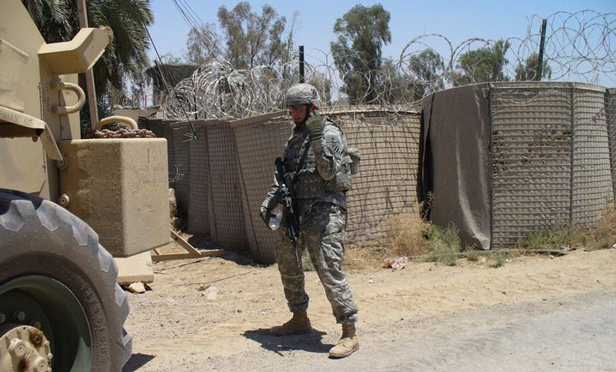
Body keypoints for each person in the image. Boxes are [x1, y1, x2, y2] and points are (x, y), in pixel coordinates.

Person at [260, 83, 359, 358]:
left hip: (324, 211)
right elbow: (285, 176)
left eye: (298, 107)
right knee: (288, 262)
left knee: (329, 269)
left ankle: (350, 332)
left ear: (312, 107)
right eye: (290, 107)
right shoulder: (294, 137)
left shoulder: (327, 133)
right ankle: (299, 318)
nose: (293, 112)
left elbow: (327, 174)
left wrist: (317, 139)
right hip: (296, 212)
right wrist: (271, 200)